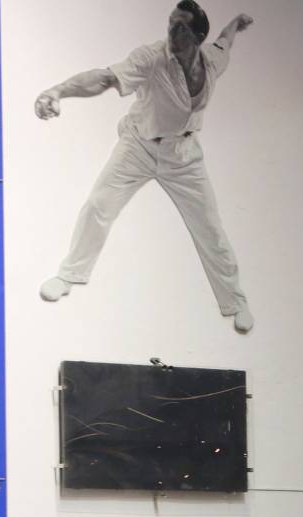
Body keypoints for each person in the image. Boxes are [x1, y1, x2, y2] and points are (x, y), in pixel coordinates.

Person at [34, 2, 257, 333]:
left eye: (180, 27)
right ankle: (69, 275)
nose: (171, 32)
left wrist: (236, 24)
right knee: (98, 205)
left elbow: (225, 41)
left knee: (210, 228)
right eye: (170, 24)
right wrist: (58, 91)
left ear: (197, 36)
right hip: (138, 145)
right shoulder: (151, 58)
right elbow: (105, 78)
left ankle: (235, 302)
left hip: (183, 153)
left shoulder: (212, 61)